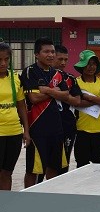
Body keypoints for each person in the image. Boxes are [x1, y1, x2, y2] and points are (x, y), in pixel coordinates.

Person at [20, 37, 69, 188]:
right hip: (37, 129)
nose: (51, 55)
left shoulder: (57, 73)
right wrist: (55, 91)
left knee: (54, 167)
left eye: (52, 51)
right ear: (36, 54)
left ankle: (49, 197)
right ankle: (29, 199)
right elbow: (34, 98)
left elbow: (66, 94)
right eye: (46, 51)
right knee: (34, 170)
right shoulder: (30, 71)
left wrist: (46, 90)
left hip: (56, 128)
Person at [74, 50, 100, 168]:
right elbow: (77, 102)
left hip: (99, 130)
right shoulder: (76, 82)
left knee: (98, 164)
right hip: (81, 129)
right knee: (81, 164)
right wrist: (98, 100)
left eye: (94, 64)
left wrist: (88, 97)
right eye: (88, 64)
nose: (91, 67)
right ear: (82, 66)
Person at [0, 42, 30, 190]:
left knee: (7, 171)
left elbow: (21, 105)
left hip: (14, 132)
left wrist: (26, 130)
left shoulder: (15, 78)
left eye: (6, 59)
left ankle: (4, 205)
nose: (3, 63)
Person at [53, 45, 82, 174]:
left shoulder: (70, 78)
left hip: (67, 125)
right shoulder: (41, 76)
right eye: (60, 59)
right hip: (46, 125)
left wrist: (58, 94)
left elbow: (77, 100)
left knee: (63, 164)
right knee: (41, 167)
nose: (63, 63)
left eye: (66, 59)